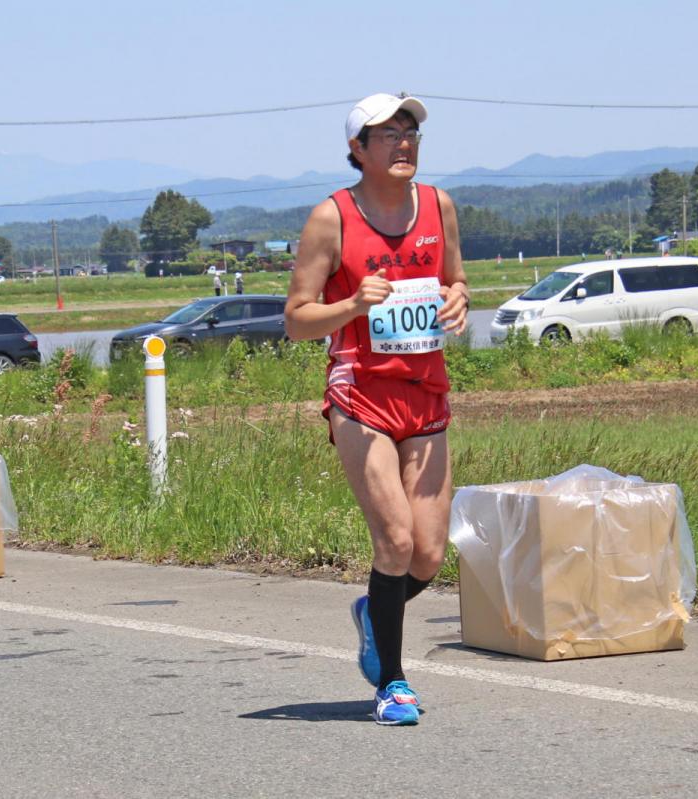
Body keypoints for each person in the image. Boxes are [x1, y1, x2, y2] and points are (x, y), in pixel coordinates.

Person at [284, 93, 469, 726]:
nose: (403, 143)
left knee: (428, 554)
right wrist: (353, 305)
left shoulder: (438, 206)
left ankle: (373, 609)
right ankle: (392, 684)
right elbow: (297, 321)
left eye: (409, 131)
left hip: (425, 390)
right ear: (357, 149)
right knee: (394, 540)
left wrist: (459, 298)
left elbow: (455, 279)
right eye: (387, 134)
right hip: (360, 394)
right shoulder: (331, 218)